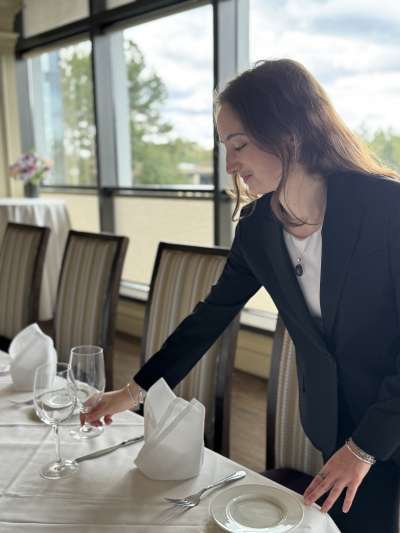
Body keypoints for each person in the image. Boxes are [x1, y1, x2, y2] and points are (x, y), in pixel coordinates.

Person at [85, 59, 400, 532]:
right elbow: (209, 317)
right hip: (332, 418)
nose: (230, 165)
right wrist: (132, 393)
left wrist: (365, 448)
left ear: (289, 133)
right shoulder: (258, 231)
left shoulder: (385, 207)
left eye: (239, 145)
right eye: (225, 149)